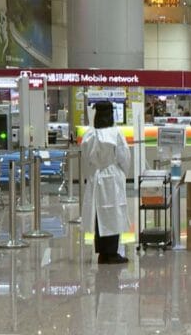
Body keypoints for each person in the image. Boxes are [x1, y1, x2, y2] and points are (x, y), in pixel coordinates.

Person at [81, 101, 132, 265]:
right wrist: (123, 173)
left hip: (96, 176)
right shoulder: (116, 133)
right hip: (112, 176)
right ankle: (112, 253)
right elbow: (124, 157)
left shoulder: (90, 134)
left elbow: (85, 159)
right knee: (113, 213)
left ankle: (102, 252)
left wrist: (91, 174)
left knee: (99, 215)